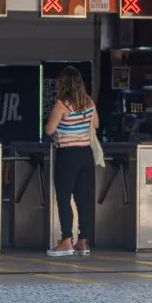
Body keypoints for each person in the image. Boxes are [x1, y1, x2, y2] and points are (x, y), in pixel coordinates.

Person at [44, 66, 99, 257]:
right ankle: (83, 241)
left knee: (64, 197)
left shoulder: (62, 105)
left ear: (64, 83)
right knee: (83, 198)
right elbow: (96, 124)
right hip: (86, 154)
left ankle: (66, 240)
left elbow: (49, 130)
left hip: (68, 155)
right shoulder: (89, 102)